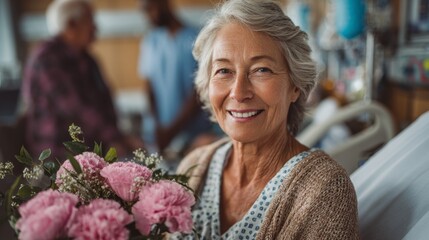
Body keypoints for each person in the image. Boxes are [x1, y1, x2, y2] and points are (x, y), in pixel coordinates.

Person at [173, 0, 359, 239]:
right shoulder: (193, 167)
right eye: (224, 71)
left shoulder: (326, 192)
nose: (239, 93)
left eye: (261, 70)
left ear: (295, 86)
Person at [22, 0, 143, 159]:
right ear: (71, 25)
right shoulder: (47, 60)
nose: (96, 28)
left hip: (90, 148)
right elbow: (76, 107)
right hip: (59, 155)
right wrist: (116, 138)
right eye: (90, 21)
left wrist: (118, 137)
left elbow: (104, 100)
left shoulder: (86, 58)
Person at [138, 0, 217, 154]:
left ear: (165, 4)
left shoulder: (195, 38)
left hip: (193, 136)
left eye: (150, 9)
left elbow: (200, 90)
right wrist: (157, 126)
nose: (148, 17)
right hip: (161, 136)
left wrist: (172, 130)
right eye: (144, 12)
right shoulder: (151, 41)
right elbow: (149, 87)